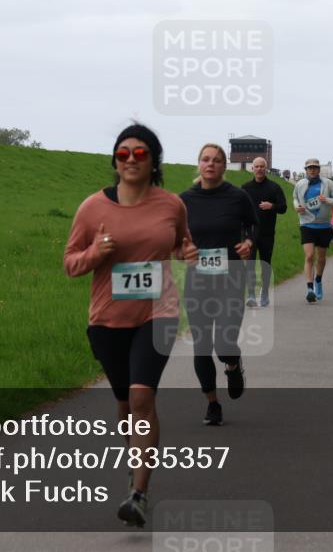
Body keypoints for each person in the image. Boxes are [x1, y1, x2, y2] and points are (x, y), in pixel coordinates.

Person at [64, 123, 198, 527]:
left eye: (140, 153)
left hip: (158, 314)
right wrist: (95, 252)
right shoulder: (92, 208)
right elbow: (70, 265)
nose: (131, 160)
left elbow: (179, 243)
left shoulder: (172, 204)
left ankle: (138, 492)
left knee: (142, 398)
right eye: (124, 153)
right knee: (125, 404)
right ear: (114, 160)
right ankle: (136, 460)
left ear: (154, 160)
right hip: (107, 319)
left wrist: (188, 253)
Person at [181, 144, 257, 426]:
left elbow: (253, 225)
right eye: (205, 159)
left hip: (231, 278)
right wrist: (182, 250)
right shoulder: (184, 200)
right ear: (198, 164)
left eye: (216, 160)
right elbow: (174, 237)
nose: (210, 164)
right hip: (197, 279)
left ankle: (233, 364)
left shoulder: (237, 197)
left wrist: (248, 242)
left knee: (224, 343)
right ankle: (212, 404)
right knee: (201, 345)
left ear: (225, 166)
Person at [293, 158, 333, 303]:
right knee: (309, 256)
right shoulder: (301, 184)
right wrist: (297, 207)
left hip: (324, 225)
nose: (312, 170)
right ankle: (309, 288)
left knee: (321, 258)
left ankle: (318, 281)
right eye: (309, 168)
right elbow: (295, 198)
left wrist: (327, 200)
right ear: (306, 170)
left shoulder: (328, 183)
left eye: (315, 167)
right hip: (306, 224)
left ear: (319, 170)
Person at [241, 157, 287, 308]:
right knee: (250, 265)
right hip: (249, 233)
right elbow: (237, 209)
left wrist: (271, 206)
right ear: (252, 169)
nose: (259, 169)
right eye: (257, 166)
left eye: (262, 166)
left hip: (267, 233)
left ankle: (265, 292)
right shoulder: (245, 188)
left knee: (265, 264)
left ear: (266, 168)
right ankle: (251, 295)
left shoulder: (274, 187)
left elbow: (283, 208)